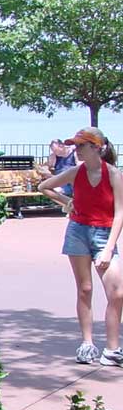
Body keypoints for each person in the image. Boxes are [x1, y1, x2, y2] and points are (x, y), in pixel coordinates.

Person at [37, 127, 123, 367]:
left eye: (82, 146)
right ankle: (87, 344)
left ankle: (112, 350)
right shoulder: (76, 172)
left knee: (117, 292)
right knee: (85, 289)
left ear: (97, 147)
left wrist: (108, 248)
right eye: (76, 145)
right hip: (78, 232)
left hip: (104, 234)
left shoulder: (114, 174)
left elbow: (120, 214)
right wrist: (68, 202)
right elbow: (44, 187)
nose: (77, 150)